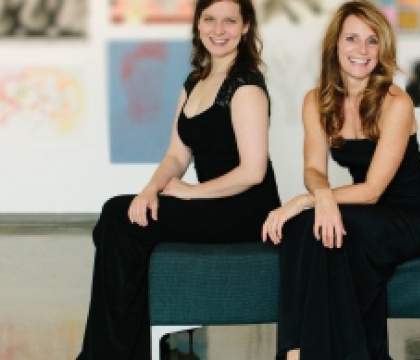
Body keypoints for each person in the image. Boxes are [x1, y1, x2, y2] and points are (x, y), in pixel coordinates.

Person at [75, 0, 280, 359]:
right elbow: (176, 155)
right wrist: (150, 191)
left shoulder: (246, 86)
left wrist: (190, 194)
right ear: (198, 25)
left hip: (246, 210)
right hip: (210, 202)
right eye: (210, 19)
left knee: (116, 222)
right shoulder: (195, 81)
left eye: (230, 21)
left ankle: (107, 354)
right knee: (119, 217)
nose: (219, 30)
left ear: (245, 27)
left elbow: (253, 172)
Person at [261, 2, 420, 359]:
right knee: (307, 229)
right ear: (335, 45)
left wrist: (309, 199)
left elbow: (373, 190)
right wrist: (321, 196)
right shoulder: (316, 102)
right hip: (367, 210)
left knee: (322, 223)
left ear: (383, 50)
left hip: (417, 213)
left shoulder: (396, 102)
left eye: (372, 41)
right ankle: (294, 350)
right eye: (352, 38)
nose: (362, 50)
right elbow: (313, 170)